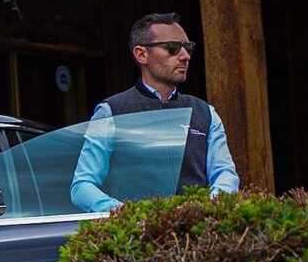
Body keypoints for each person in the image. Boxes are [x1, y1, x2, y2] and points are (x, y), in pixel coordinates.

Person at [71, 13, 239, 213]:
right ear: (141, 54)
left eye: (188, 48)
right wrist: (127, 215)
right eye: (173, 48)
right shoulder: (111, 112)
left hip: (197, 234)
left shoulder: (206, 113)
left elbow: (225, 173)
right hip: (135, 237)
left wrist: (207, 210)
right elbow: (82, 186)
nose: (186, 56)